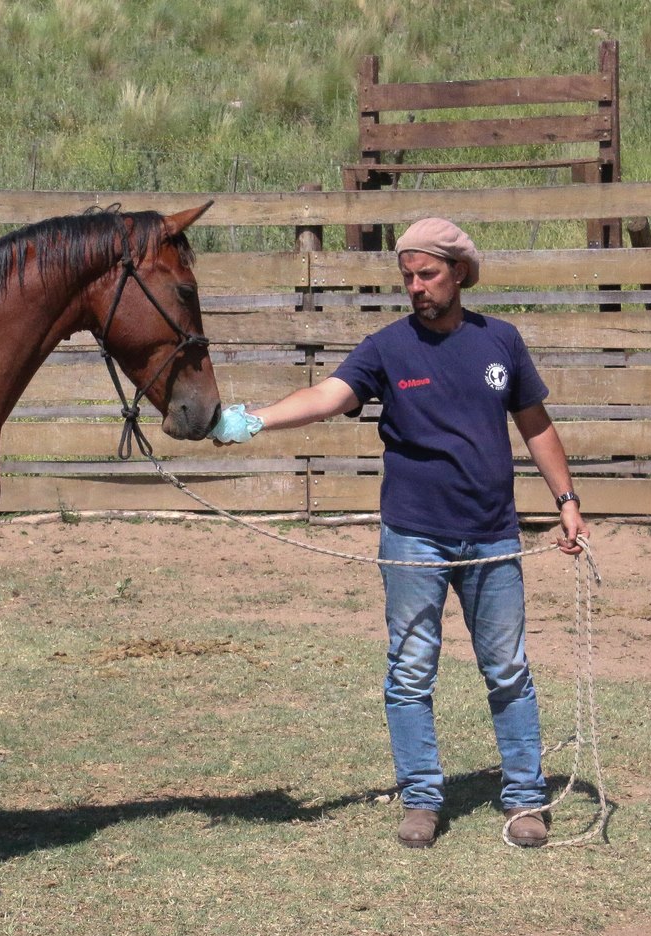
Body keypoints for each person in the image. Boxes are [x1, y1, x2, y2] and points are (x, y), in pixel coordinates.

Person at [210, 218, 589, 849]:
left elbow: (536, 425)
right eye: (407, 276)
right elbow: (329, 396)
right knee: (411, 670)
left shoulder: (502, 342)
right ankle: (421, 798)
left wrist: (567, 499)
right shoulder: (387, 347)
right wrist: (252, 421)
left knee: (507, 669)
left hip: (493, 536)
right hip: (413, 538)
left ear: (459, 273)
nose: (415, 287)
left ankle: (525, 798)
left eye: (428, 274)